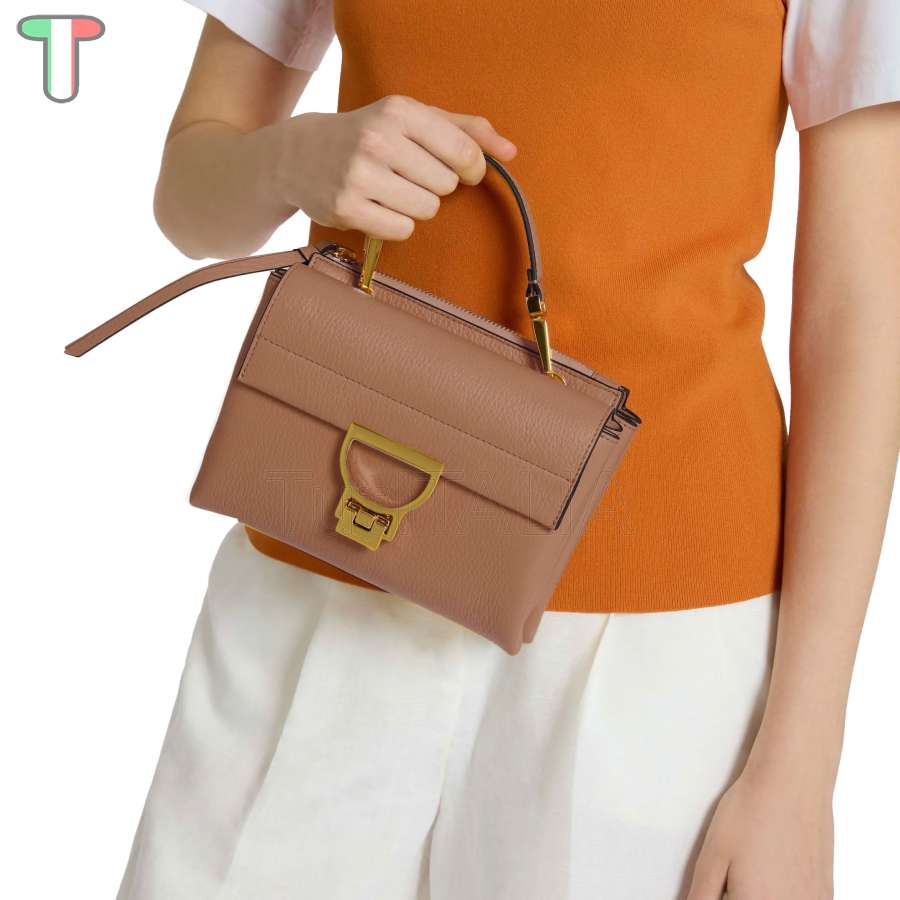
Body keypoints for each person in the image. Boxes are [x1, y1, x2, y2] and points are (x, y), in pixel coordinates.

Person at [117, 2, 900, 898]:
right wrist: (291, 160)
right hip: (322, 572)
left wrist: (801, 771)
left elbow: (857, 316)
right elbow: (191, 201)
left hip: (649, 646)